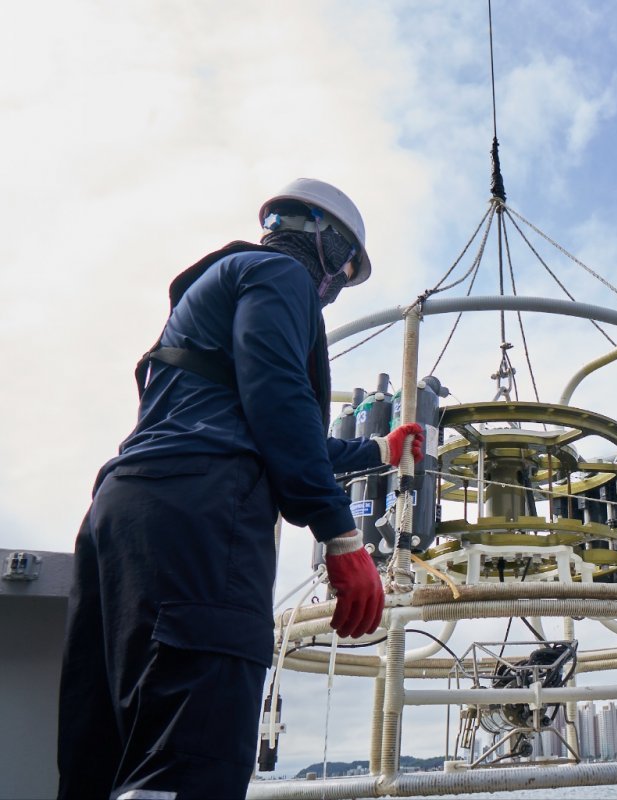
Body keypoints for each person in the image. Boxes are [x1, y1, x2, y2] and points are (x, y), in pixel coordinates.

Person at [57, 179, 423, 800]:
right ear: (324, 241)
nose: (336, 286)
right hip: (202, 519)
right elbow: (277, 397)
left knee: (104, 757)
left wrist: (377, 451)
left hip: (123, 512)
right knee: (188, 761)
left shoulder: (211, 293)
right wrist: (338, 533)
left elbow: (266, 422)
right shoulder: (282, 276)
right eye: (346, 266)